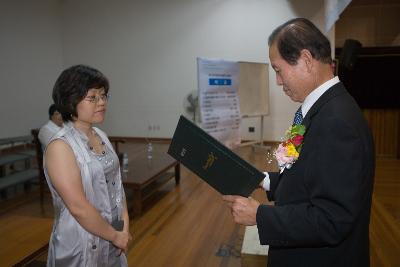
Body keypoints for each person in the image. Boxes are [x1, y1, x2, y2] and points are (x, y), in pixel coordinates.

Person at [223, 18, 374, 267]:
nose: (278, 82)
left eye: (278, 70)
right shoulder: (313, 110)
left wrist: (259, 215)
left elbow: (332, 219)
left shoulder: (337, 122)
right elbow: (303, 174)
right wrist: (263, 178)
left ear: (305, 60)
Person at [44, 65, 131, 266]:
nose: (102, 102)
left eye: (103, 96)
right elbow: (78, 207)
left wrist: (124, 227)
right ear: (70, 100)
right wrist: (115, 236)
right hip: (80, 244)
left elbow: (117, 186)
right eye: (92, 97)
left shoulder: (101, 135)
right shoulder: (61, 146)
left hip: (113, 237)